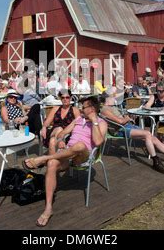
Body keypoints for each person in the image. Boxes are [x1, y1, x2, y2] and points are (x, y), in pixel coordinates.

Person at [22, 96, 107, 227]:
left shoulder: (101, 123)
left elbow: (98, 142)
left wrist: (94, 121)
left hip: (83, 157)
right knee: (51, 164)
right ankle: (48, 208)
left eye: (83, 107)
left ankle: (43, 158)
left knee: (79, 146)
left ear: (92, 109)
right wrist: (61, 140)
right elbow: (62, 133)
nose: (80, 109)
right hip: (68, 154)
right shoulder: (79, 119)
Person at [100, 89, 164, 174]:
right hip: (121, 130)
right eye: (113, 96)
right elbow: (120, 121)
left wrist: (128, 118)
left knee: (154, 138)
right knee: (148, 134)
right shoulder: (105, 109)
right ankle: (156, 161)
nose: (115, 97)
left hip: (127, 126)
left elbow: (121, 119)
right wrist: (127, 118)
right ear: (108, 98)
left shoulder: (112, 107)